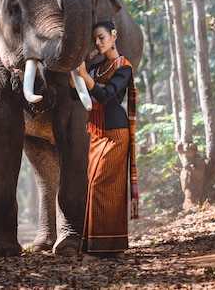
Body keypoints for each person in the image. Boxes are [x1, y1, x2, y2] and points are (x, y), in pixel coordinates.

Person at [73, 20, 138, 260]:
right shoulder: (96, 67)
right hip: (97, 133)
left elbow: (108, 95)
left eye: (101, 37)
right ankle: (98, 246)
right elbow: (75, 93)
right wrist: (75, 74)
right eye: (95, 39)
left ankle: (109, 248)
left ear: (114, 36)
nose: (98, 42)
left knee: (102, 183)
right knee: (94, 185)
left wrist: (83, 75)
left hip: (116, 133)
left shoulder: (124, 67)